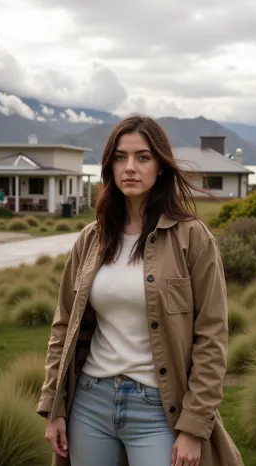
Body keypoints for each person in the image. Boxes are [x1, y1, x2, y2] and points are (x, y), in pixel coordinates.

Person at [38, 114, 243, 466]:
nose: (130, 167)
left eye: (142, 157)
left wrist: (194, 428)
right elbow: (64, 326)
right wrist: (54, 406)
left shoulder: (192, 238)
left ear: (160, 167)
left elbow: (211, 337)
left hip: (159, 409)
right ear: (109, 166)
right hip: (90, 402)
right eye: (120, 157)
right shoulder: (92, 238)